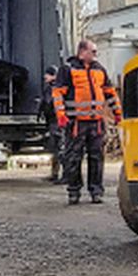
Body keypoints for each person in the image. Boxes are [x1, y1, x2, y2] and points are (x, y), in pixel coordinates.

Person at [51, 39, 122, 205]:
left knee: (96, 158)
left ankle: (96, 191)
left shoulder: (99, 70)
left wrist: (117, 113)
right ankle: (74, 191)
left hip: (96, 122)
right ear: (82, 52)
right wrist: (61, 115)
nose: (96, 55)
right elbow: (58, 93)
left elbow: (110, 92)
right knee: (73, 158)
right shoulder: (68, 70)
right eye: (93, 51)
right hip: (76, 123)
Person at [40, 65, 64, 184]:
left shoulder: (55, 89)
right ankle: (56, 174)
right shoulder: (51, 88)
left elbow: (49, 104)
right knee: (56, 149)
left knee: (60, 148)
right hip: (55, 121)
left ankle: (63, 175)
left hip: (57, 122)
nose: (45, 76)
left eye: (48, 74)